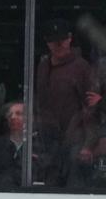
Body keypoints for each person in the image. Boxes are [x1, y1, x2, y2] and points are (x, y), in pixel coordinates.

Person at [36, 19, 98, 186]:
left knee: (74, 184)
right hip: (48, 138)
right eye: (53, 41)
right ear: (47, 42)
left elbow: (91, 107)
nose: (59, 44)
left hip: (74, 138)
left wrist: (88, 144)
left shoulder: (81, 67)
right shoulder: (43, 66)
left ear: (70, 38)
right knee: (49, 184)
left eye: (62, 40)